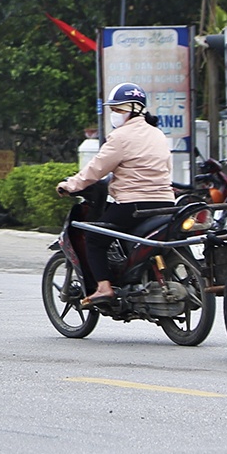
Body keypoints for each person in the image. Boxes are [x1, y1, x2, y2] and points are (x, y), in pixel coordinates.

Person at [55, 82, 175, 306]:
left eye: (119, 110)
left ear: (135, 110)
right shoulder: (158, 134)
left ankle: (103, 287)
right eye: (113, 110)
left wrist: (70, 185)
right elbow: (166, 167)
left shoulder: (121, 137)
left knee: (94, 237)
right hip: (165, 203)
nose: (115, 114)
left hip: (132, 205)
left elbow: (96, 169)